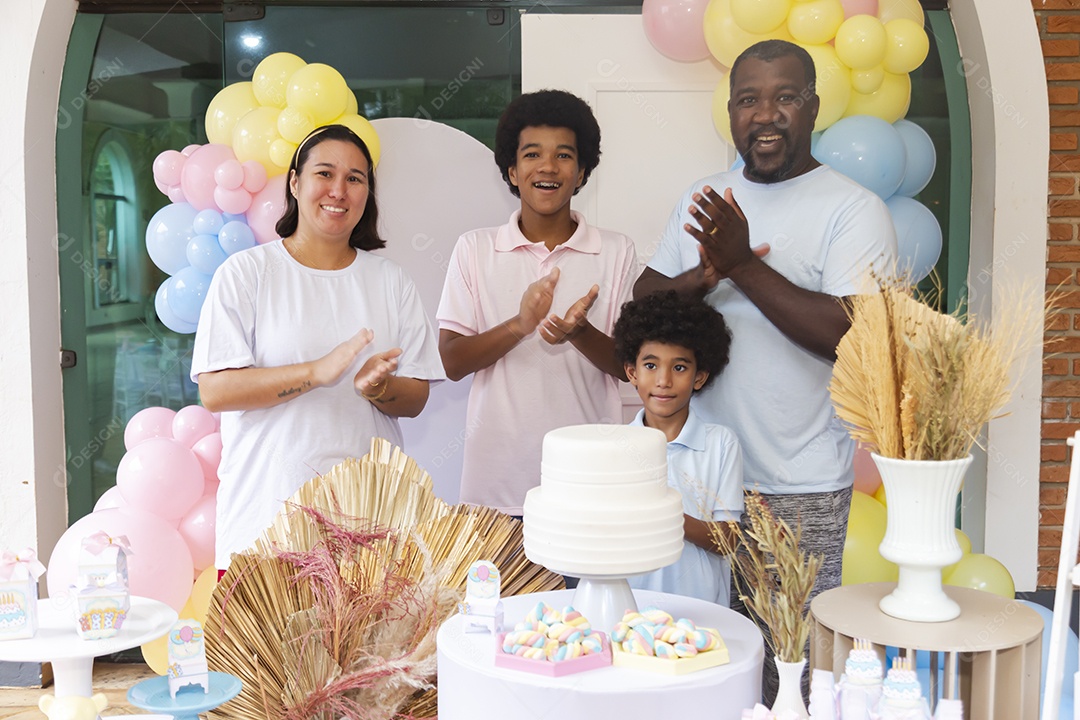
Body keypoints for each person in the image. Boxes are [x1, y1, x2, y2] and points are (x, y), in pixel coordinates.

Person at [634, 40, 897, 698]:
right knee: (698, 666)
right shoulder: (705, 199)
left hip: (797, 487)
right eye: (749, 99)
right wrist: (707, 272)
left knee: (792, 669)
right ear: (730, 112)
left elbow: (846, 333)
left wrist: (743, 265)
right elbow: (643, 304)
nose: (766, 114)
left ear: (813, 106)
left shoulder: (853, 209)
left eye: (784, 97)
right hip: (696, 477)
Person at [191, 124, 446, 572]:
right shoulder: (246, 273)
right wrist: (315, 372)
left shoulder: (390, 281)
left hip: (371, 535)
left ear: (368, 192)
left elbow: (418, 397)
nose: (339, 190)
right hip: (266, 532)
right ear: (295, 183)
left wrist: (376, 390)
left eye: (355, 178)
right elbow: (216, 391)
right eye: (324, 173)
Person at [436, 89, 640, 517]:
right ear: (512, 171)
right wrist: (519, 324)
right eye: (532, 155)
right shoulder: (475, 249)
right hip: (495, 490)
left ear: (583, 172)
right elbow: (452, 362)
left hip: (589, 485)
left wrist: (579, 332)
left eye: (564, 155)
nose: (548, 167)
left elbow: (629, 367)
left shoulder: (617, 251)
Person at [614, 290, 742, 606]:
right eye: (651, 365)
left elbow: (728, 540)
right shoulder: (614, 448)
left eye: (680, 368)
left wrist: (668, 514)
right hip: (630, 612)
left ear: (700, 376)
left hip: (702, 616)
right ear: (632, 372)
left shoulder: (721, 444)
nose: (664, 380)